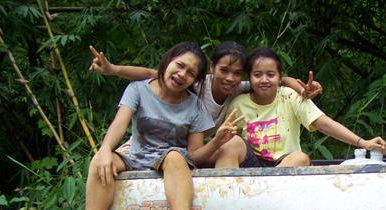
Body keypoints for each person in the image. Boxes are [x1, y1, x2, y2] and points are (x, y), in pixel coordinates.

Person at [69, 42, 243, 210]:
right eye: (179, 65)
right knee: (100, 161)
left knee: (175, 156)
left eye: (190, 73)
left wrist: (216, 142)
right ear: (167, 61)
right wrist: (105, 150)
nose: (182, 74)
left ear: (195, 81)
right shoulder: (138, 89)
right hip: (135, 155)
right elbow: (119, 124)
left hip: (170, 160)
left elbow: (194, 155)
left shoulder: (195, 106)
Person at [89, 41, 322, 163]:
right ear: (212, 68)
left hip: (192, 151)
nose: (229, 78)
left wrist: (294, 84)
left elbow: (269, 81)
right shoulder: (195, 83)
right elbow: (153, 74)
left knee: (230, 147)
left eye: (237, 73)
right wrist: (113, 69)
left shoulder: (240, 88)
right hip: (153, 143)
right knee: (104, 162)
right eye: (224, 70)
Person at [214, 48, 386, 168]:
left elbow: (323, 123)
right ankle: (225, 195)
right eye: (257, 75)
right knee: (232, 142)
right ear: (249, 77)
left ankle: (265, 191)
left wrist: (362, 142)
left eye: (270, 74)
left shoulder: (290, 96)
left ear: (280, 77)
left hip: (286, 165)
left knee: (301, 157)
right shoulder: (239, 103)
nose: (264, 80)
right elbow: (226, 143)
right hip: (252, 168)